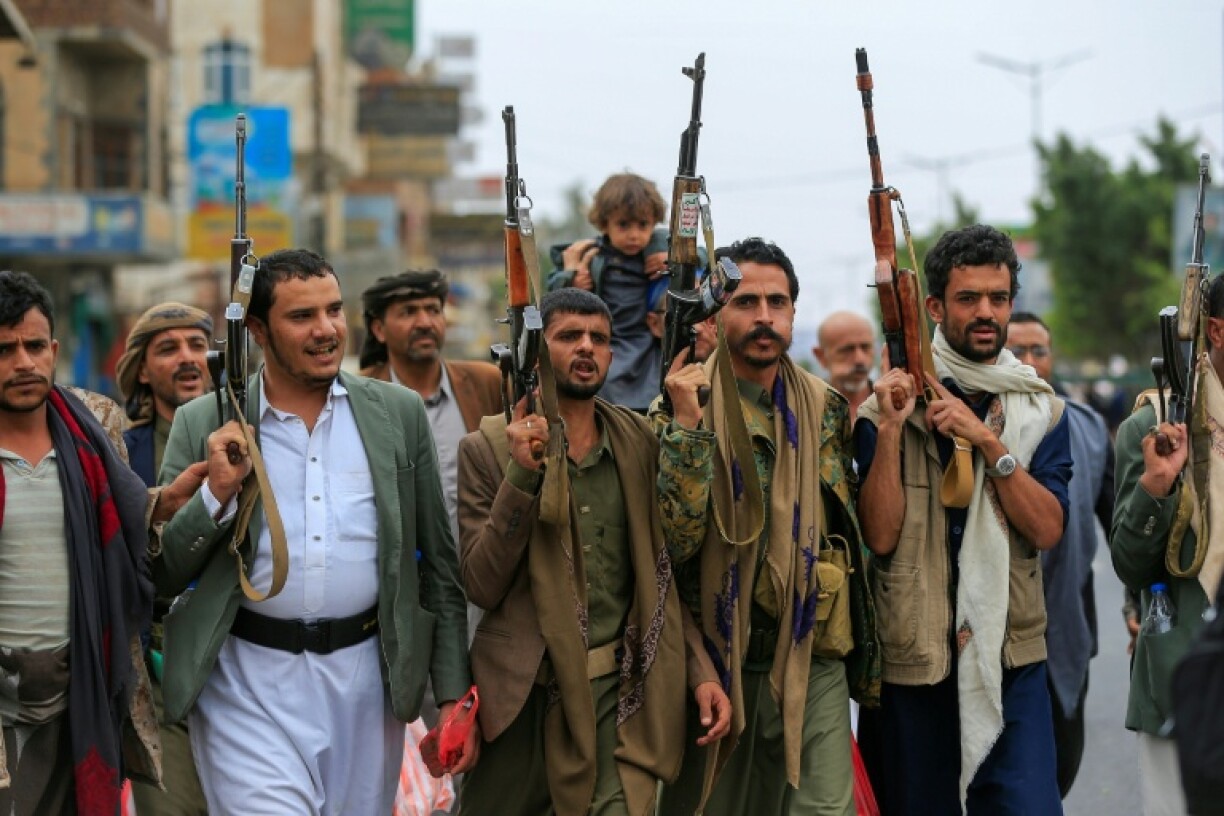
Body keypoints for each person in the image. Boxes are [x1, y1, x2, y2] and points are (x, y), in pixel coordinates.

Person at [155, 249, 476, 815]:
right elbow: (162, 572)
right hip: (246, 686)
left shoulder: (397, 415)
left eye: (333, 310)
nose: (327, 330)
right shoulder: (206, 421)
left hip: (366, 685)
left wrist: (451, 696)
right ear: (256, 329)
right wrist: (216, 495)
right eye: (302, 316)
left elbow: (439, 571)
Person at [456, 288, 730, 816]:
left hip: (620, 695)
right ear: (536, 351)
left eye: (599, 339)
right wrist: (520, 475)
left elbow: (661, 577)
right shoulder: (487, 449)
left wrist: (701, 674)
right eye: (568, 337)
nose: (586, 348)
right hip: (523, 699)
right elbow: (481, 583)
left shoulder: (637, 441)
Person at [656, 238, 878, 816]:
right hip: (713, 652)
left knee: (825, 809)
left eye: (776, 302)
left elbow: (846, 524)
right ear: (716, 312)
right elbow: (670, 545)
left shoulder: (824, 406)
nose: (763, 317)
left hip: (809, 647)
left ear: (793, 314)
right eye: (745, 301)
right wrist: (688, 431)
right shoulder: (678, 404)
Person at [855, 224, 1071, 814]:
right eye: (968, 298)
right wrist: (897, 427)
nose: (986, 313)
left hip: (1009, 659)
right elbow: (878, 535)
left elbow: (1048, 528)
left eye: (998, 299)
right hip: (915, 663)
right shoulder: (886, 408)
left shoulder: (1039, 410)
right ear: (933, 306)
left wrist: (985, 442)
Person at [0, 270, 160, 814]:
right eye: (4, 349)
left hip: (80, 693)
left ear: (54, 348)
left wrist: (194, 498)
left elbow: (136, 522)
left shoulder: (93, 426)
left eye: (34, 345)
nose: (23, 362)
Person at [1111, 273, 1224, 816]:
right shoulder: (1153, 426)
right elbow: (1130, 562)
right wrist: (1158, 482)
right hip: (1184, 672)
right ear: (1217, 332)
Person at [1007, 311, 1114, 799]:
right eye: (1018, 351)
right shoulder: (974, 425)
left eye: (1039, 351)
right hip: (996, 634)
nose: (1030, 362)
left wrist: (1141, 602)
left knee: (1061, 768)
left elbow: (1118, 526)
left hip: (1067, 627)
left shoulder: (1088, 428)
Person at [114, 302, 214, 815]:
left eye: (197, 344)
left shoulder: (248, 437)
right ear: (143, 370)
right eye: (168, 348)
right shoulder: (118, 454)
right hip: (157, 669)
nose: (188, 358)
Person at [359, 269, 503, 541]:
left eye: (434, 310)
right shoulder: (359, 397)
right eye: (409, 312)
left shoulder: (487, 383)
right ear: (379, 329)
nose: (425, 322)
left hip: (478, 573)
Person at [548, 172, 673, 412]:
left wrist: (670, 261)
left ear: (654, 222)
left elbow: (700, 259)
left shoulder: (658, 251)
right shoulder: (590, 255)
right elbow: (553, 292)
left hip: (646, 344)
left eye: (643, 225)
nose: (634, 234)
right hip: (606, 341)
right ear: (605, 223)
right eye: (623, 225)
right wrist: (572, 279)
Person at [814, 311, 876, 419]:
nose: (860, 359)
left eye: (865, 347)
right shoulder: (805, 410)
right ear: (821, 356)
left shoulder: (891, 405)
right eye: (848, 349)